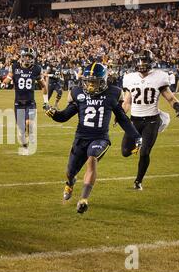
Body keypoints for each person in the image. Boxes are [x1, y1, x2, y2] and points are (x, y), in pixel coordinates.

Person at [45, 62, 142, 213]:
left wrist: (136, 136)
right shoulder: (78, 92)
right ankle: (70, 183)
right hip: (80, 138)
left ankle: (84, 199)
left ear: (103, 81)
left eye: (94, 82)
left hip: (100, 138)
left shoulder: (113, 93)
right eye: (88, 81)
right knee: (70, 172)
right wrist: (54, 114)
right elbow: (64, 116)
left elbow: (122, 118)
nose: (90, 86)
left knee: (92, 159)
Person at [121, 50, 179, 190]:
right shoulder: (129, 77)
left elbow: (169, 96)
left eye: (144, 61)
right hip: (135, 121)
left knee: (144, 152)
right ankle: (139, 143)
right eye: (139, 61)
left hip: (152, 120)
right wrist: (120, 114)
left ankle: (138, 181)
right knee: (125, 152)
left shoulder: (159, 77)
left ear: (150, 62)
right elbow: (126, 101)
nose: (142, 64)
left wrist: (177, 106)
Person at [2, 47, 49, 155]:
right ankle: (25, 146)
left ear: (33, 58)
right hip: (18, 103)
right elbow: (8, 78)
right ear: (22, 57)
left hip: (30, 102)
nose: (27, 58)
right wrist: (4, 83)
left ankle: (31, 135)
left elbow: (43, 86)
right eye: (26, 56)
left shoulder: (36, 69)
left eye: (30, 57)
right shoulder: (15, 67)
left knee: (29, 122)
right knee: (21, 131)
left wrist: (46, 101)